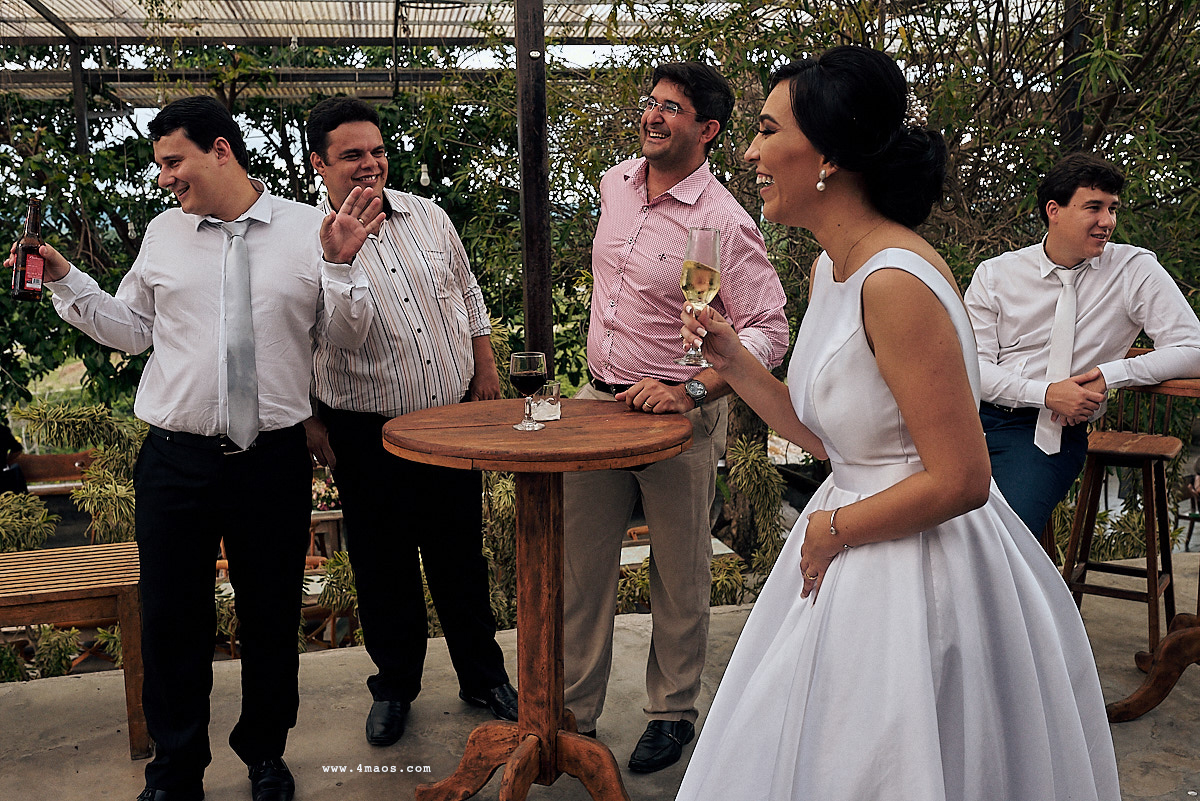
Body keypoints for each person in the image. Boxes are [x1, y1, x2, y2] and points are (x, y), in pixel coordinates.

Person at [675, 46, 1120, 800]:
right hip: (849, 535)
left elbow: (965, 477)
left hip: (914, 566)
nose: (748, 151)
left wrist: (831, 528)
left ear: (829, 156)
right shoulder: (832, 266)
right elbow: (834, 439)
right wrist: (733, 357)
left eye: (765, 129)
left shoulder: (895, 281)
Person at [6, 95, 380, 801]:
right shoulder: (162, 234)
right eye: (159, 165)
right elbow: (129, 329)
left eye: (172, 161)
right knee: (171, 618)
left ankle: (266, 754)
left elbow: (351, 339)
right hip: (174, 459)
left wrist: (336, 266)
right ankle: (175, 769)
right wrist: (62, 275)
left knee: (271, 615)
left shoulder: (311, 229)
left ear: (220, 150)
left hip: (270, 459)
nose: (163, 178)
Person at [563, 61, 789, 773]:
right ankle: (572, 711)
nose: (653, 115)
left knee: (680, 574)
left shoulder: (723, 220)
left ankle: (671, 712)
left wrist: (692, 388)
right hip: (602, 406)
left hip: (679, 418)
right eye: (651, 102)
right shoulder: (615, 184)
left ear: (708, 129)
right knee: (582, 569)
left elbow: (767, 331)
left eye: (672, 108)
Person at [302, 96, 516, 748]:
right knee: (383, 565)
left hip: (449, 422)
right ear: (320, 163)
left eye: (376, 151)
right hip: (366, 432)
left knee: (460, 558)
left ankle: (482, 676)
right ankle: (395, 687)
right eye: (352, 155)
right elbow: (297, 335)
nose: (369, 164)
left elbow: (466, 288)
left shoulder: (428, 214)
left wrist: (484, 363)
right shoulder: (305, 239)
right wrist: (311, 423)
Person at [965, 153, 1200, 535]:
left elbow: (1193, 349)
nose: (1107, 222)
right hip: (968, 422)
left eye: (1112, 209)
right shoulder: (996, 274)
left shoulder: (1133, 270)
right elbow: (973, 370)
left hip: (1045, 434)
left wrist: (1111, 374)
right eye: (1094, 207)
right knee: (924, 530)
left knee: (1000, 540)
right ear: (1054, 210)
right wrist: (1046, 392)